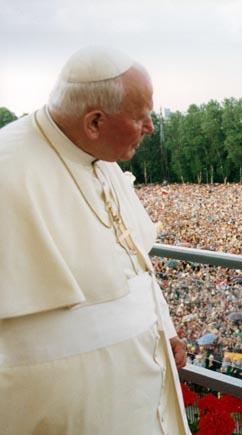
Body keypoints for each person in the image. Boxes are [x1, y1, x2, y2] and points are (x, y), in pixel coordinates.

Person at [0, 47, 190, 434]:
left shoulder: (102, 158)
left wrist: (164, 326)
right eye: (140, 117)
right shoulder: (7, 169)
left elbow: (137, 263)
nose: (150, 127)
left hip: (141, 385)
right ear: (95, 122)